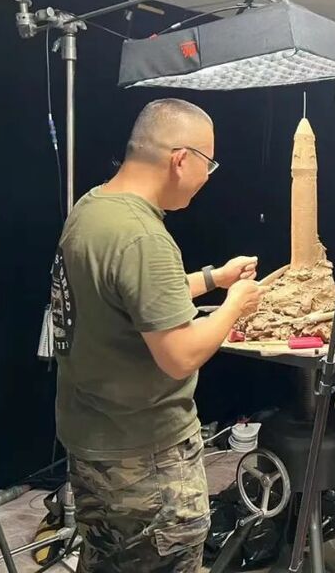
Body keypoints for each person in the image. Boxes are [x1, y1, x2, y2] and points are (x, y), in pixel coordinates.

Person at [50, 98, 265, 571]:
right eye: (209, 164)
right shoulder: (144, 237)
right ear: (181, 159)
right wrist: (235, 304)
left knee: (107, 560)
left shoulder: (93, 208)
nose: (208, 177)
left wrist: (214, 279)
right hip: (144, 459)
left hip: (93, 442)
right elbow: (179, 355)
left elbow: (133, 295)